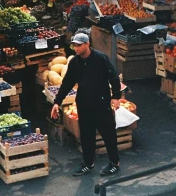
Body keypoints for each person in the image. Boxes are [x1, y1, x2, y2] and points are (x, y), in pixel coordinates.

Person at [50, 32, 122, 176]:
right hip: (83, 104)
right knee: (86, 136)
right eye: (74, 45)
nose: (76, 48)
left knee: (108, 134)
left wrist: (115, 97)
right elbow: (67, 84)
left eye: (79, 45)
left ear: (87, 44)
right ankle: (88, 164)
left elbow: (113, 77)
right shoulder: (74, 62)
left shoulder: (100, 58)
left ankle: (114, 163)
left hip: (101, 104)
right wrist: (57, 102)